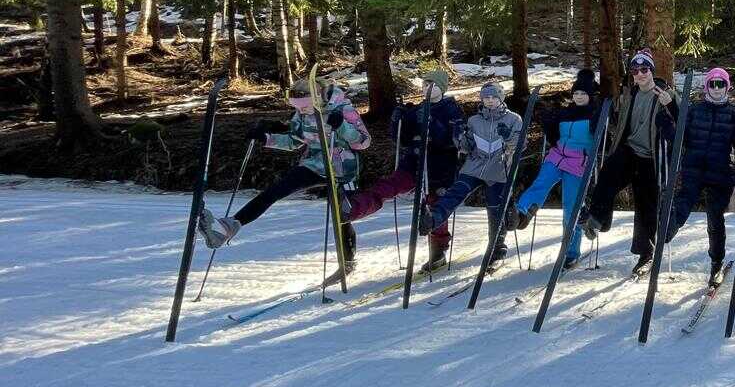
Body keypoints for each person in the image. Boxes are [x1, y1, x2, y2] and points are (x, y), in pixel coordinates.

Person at [198, 76, 371, 259]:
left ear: (318, 97)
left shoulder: (343, 110)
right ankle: (227, 228)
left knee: (342, 215)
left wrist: (342, 126)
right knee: (276, 190)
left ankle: (348, 261)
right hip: (314, 165)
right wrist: (267, 138)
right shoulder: (301, 114)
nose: (301, 111)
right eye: (297, 107)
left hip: (343, 168)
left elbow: (364, 142)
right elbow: (293, 141)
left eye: (304, 107)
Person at [342, 69, 464, 268]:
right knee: (389, 185)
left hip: (439, 167)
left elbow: (453, 140)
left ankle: (438, 250)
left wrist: (433, 126)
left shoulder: (451, 110)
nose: (426, 88)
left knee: (434, 207)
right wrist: (398, 120)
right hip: (414, 162)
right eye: (424, 84)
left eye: (431, 85)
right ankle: (354, 208)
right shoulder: (418, 109)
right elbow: (401, 138)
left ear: (441, 88)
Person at [580, 50, 678, 275]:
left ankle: (646, 254)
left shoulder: (666, 93)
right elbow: (620, 120)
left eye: (644, 69)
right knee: (608, 173)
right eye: (635, 71)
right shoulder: (631, 94)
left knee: (646, 206)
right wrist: (603, 113)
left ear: (651, 71)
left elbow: (682, 120)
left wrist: (671, 105)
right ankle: (598, 219)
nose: (640, 74)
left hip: (652, 157)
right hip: (630, 150)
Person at [659, 67, 735, 287]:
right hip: (694, 167)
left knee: (715, 217)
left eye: (721, 84)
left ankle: (716, 262)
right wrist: (667, 124)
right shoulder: (695, 110)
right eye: (713, 84)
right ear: (706, 87)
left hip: (720, 172)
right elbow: (681, 135)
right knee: (685, 200)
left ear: (727, 87)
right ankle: (668, 228)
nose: (717, 88)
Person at [513, 69, 604, 271]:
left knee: (571, 207)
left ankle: (571, 252)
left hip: (579, 162)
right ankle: (521, 213)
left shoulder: (595, 114)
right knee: (541, 183)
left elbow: (603, 134)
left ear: (590, 95)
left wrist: (603, 117)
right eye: (576, 93)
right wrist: (545, 117)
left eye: (583, 94)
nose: (578, 97)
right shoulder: (564, 113)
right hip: (557, 156)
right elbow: (553, 132)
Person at [426, 81, 523, 270]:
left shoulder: (514, 119)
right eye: (486, 97)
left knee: (495, 209)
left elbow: (519, 145)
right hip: (474, 167)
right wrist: (459, 137)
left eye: (494, 97)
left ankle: (497, 249)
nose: (490, 100)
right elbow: (466, 147)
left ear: (501, 98)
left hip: (498, 170)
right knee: (456, 192)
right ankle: (433, 218)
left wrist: (508, 137)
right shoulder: (474, 120)